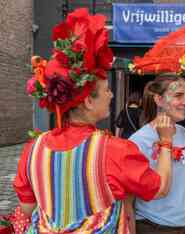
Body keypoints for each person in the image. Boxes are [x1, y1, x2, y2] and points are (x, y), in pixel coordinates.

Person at [11, 8, 175, 234]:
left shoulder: (33, 149)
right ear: (88, 101)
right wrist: (166, 142)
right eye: (107, 90)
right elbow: (160, 188)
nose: (111, 95)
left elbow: (27, 208)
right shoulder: (115, 151)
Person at [128, 74, 185, 234]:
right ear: (158, 99)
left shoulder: (183, 133)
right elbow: (129, 199)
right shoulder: (138, 141)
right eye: (178, 95)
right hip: (155, 226)